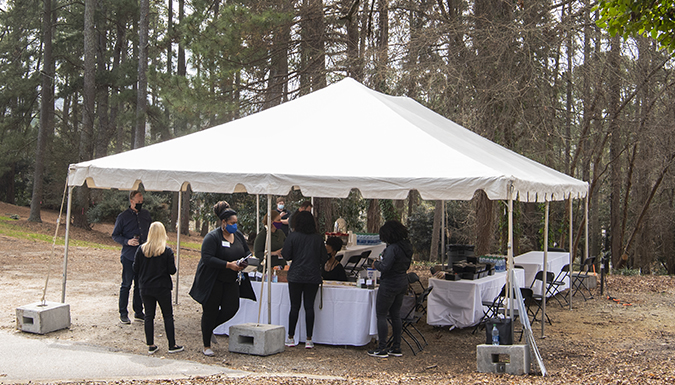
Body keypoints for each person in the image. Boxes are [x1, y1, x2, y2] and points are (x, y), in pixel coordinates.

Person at [189, 201, 250, 357]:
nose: (235, 226)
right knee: (210, 311)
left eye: (236, 223)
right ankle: (206, 345)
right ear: (223, 222)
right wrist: (227, 265)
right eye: (232, 223)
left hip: (231, 279)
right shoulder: (212, 237)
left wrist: (244, 262)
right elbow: (207, 258)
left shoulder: (237, 235)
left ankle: (209, 328)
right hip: (213, 280)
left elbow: (246, 252)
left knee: (232, 308)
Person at [133, 222, 183, 354]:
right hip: (162, 287)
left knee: (149, 315)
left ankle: (150, 344)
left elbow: (135, 268)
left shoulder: (141, 250)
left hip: (146, 287)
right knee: (167, 315)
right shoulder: (166, 251)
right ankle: (172, 344)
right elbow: (172, 271)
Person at [281, 211, 326, 349]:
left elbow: (286, 254)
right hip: (312, 275)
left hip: (295, 275)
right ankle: (309, 339)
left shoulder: (293, 236)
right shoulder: (317, 238)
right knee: (309, 307)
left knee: (294, 306)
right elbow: (324, 258)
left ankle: (290, 337)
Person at [368, 220, 413, 358]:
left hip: (389, 283)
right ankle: (396, 346)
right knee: (395, 315)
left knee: (381, 314)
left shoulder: (393, 248)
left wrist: (376, 264)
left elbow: (386, 266)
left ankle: (382, 347)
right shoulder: (406, 246)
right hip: (402, 281)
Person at [112, 190, 152, 324]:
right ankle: (123, 312)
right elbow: (115, 235)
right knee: (126, 284)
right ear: (131, 201)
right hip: (129, 255)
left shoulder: (146, 214)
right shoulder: (123, 217)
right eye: (138, 202)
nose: (140, 204)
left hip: (143, 254)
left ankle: (139, 312)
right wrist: (127, 241)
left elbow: (151, 231)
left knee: (140, 285)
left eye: (141, 202)